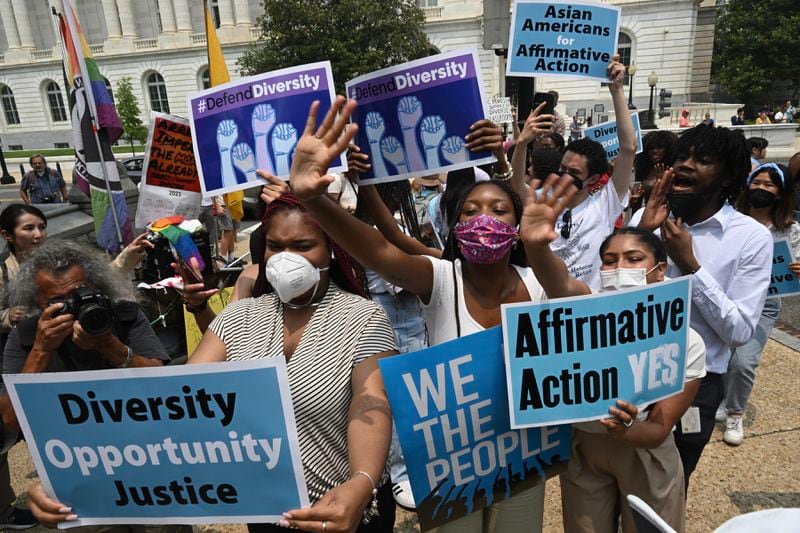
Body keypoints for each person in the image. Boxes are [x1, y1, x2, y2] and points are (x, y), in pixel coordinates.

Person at [287, 94, 583, 533]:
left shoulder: (541, 281)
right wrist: (315, 202)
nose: (485, 218)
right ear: (455, 226)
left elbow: (578, 301)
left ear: (517, 226)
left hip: (525, 452)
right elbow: (381, 248)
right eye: (470, 210)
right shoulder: (440, 278)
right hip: (451, 461)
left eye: (499, 210)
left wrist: (540, 249)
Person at [189, 191, 398, 533]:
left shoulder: (363, 317)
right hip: (270, 509)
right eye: (275, 246)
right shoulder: (240, 318)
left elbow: (370, 402)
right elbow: (180, 400)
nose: (286, 259)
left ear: (332, 248)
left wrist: (361, 483)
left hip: (345, 507)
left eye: (303, 247)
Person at [520, 186, 706, 532]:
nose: (619, 267)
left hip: (644, 452)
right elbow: (559, 282)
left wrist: (628, 428)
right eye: (609, 260)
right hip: (584, 449)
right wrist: (534, 246)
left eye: (634, 259)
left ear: (660, 269)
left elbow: (658, 428)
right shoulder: (584, 312)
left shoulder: (686, 341)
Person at [4, 241, 183, 533]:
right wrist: (41, 350)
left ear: (96, 286)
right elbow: (10, 420)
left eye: (80, 294)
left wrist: (110, 345)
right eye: (57, 302)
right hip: (79, 472)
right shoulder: (24, 338)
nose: (73, 307)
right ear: (38, 302)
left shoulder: (124, 316)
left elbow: (161, 385)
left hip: (147, 461)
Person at [637, 124, 773, 488]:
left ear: (728, 176)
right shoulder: (647, 220)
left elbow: (740, 331)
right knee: (618, 481)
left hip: (696, 383)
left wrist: (690, 265)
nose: (686, 165)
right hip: (633, 371)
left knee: (666, 490)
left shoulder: (751, 238)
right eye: (682, 156)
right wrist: (643, 234)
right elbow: (612, 300)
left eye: (703, 160)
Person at [511, 56, 636, 288]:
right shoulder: (542, 202)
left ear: (593, 179)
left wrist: (616, 91)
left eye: (574, 172)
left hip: (588, 306)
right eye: (563, 168)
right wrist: (521, 145)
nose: (565, 175)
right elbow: (517, 185)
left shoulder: (605, 203)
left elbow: (628, 148)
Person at [717, 163, 800, 445]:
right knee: (720, 356)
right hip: (723, 296)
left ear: (780, 193)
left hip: (763, 305)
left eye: (769, 185)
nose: (761, 189)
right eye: (757, 183)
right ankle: (722, 398)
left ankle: (735, 412)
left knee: (743, 361)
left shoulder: (789, 229)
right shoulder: (729, 219)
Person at [629, 131, 679, 221]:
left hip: (669, 216)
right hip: (647, 216)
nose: (655, 151)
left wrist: (664, 181)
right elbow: (637, 200)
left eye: (659, 148)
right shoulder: (643, 170)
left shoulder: (673, 169)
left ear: (667, 150)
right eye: (651, 148)